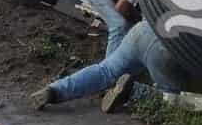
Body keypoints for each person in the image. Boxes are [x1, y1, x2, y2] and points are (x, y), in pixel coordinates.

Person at [29, 20, 186, 113]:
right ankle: (134, 92)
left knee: (105, 70)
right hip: (165, 46)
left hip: (143, 29)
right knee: (170, 101)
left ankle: (56, 90)